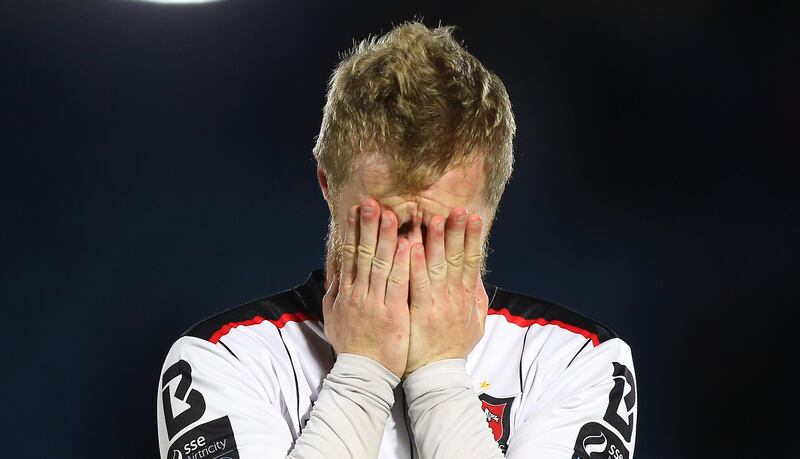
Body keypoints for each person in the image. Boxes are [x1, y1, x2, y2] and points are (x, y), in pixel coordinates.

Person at [157, 21, 637, 459]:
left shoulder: (580, 360)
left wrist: (439, 377)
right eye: (385, 225)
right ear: (327, 184)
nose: (409, 256)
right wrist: (361, 374)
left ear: (494, 203)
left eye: (442, 230)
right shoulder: (221, 360)